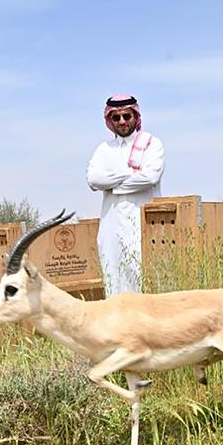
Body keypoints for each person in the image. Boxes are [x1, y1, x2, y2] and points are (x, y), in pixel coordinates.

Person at [86, 94, 165, 296]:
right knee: (114, 279)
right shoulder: (104, 149)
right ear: (109, 120)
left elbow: (150, 177)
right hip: (111, 228)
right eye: (116, 117)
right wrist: (128, 174)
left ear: (135, 116)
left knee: (143, 280)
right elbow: (93, 180)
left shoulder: (151, 144)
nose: (122, 121)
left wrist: (112, 186)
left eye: (127, 116)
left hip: (142, 226)